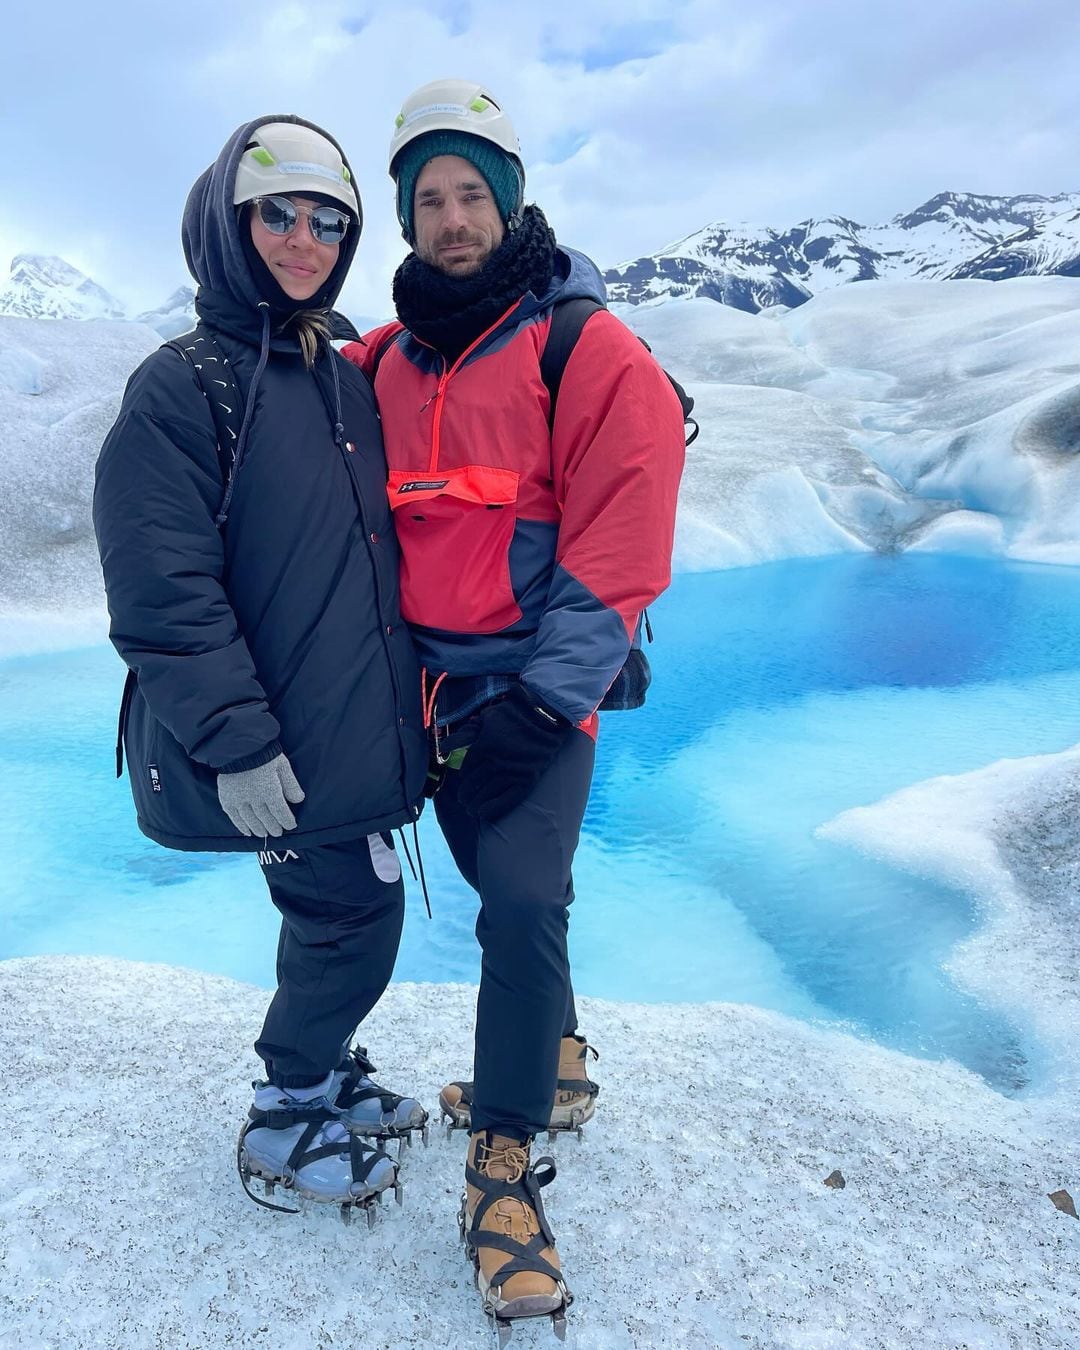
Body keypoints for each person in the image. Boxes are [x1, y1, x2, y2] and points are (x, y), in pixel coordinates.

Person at [343, 80, 685, 1329]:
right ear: (405, 216)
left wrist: (546, 706)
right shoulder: (382, 360)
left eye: (470, 193)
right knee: (504, 887)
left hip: (536, 693)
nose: (450, 218)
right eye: (427, 199)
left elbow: (625, 529)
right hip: (427, 694)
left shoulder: (580, 344)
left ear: (510, 199)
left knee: (525, 896)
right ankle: (562, 1060)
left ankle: (503, 1171)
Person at [93, 116, 430, 1220]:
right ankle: (287, 1111)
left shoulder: (335, 374)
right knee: (352, 917)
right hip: (275, 739)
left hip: (341, 726)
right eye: (277, 212)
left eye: (328, 220)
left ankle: (320, 1074)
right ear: (228, 223)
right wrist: (235, 739)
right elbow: (162, 591)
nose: (303, 239)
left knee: (336, 911)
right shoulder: (186, 384)